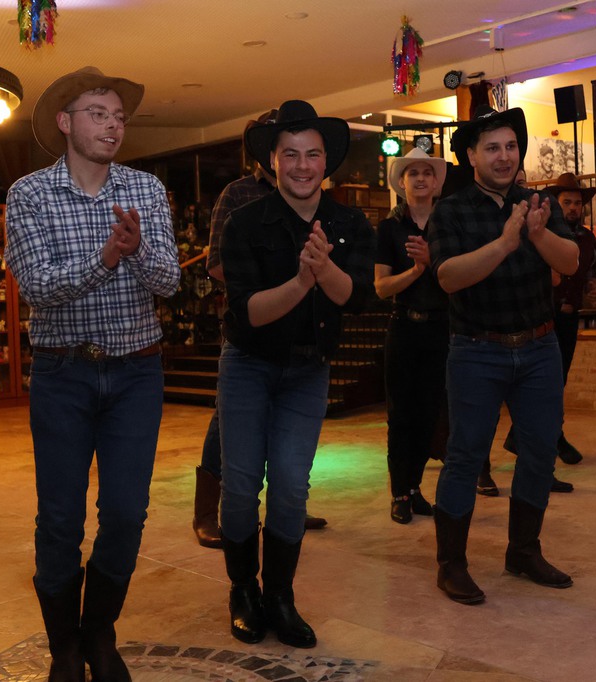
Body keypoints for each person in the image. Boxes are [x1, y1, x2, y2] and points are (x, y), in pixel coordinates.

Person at [5, 66, 181, 680]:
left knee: (127, 513)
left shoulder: (145, 189)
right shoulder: (30, 194)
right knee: (60, 518)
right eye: (98, 114)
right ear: (65, 122)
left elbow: (169, 280)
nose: (112, 126)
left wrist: (136, 252)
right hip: (62, 375)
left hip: (136, 373)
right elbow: (38, 287)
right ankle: (65, 648)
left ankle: (100, 632)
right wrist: (107, 257)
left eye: (118, 118)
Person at [217, 100, 374, 647]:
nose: (302, 166)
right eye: (291, 155)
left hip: (309, 368)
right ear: (273, 162)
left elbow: (358, 299)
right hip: (248, 364)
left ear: (326, 161)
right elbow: (248, 313)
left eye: (312, 154)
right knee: (240, 485)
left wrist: (324, 269)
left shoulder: (350, 223)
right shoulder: (244, 223)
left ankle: (280, 597)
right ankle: (243, 590)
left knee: (289, 487)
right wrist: (304, 282)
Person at [427, 105, 579, 605]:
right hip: (476, 350)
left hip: (539, 347)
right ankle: (451, 564)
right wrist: (506, 242)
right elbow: (448, 277)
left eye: (511, 146)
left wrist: (537, 233)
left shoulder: (540, 203)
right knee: (466, 456)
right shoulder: (451, 210)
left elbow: (571, 262)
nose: (504, 156)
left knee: (539, 451)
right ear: (471, 156)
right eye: (492, 147)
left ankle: (524, 551)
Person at [192, 111, 329, 549]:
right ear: (266, 152)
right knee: (227, 423)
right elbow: (216, 263)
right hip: (249, 332)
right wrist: (272, 288)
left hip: (304, 336)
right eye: (280, 147)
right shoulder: (238, 194)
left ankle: (288, 507)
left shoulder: (317, 198)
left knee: (292, 438)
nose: (298, 162)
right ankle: (206, 512)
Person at [502, 173, 596, 470]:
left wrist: (590, 290)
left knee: (559, 381)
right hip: (545, 316)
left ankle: (540, 437)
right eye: (567, 202)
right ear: (556, 204)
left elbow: (589, 274)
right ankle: (543, 440)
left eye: (577, 203)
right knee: (543, 385)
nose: (573, 208)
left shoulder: (587, 238)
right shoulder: (541, 233)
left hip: (570, 318)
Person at [374, 148, 449, 525]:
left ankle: (415, 487)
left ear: (435, 182)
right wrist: (417, 270)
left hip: (441, 328)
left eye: (426, 173)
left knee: (429, 413)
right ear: (401, 183)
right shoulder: (390, 228)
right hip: (403, 327)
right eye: (412, 173)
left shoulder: (448, 225)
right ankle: (399, 493)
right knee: (400, 414)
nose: (420, 178)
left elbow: (459, 279)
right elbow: (381, 287)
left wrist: (431, 262)